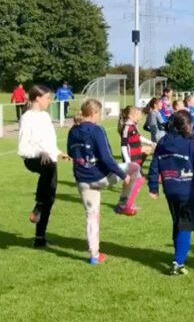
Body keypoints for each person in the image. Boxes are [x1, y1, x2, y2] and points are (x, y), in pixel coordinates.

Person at [68, 99, 143, 264]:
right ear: (94, 113)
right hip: (100, 178)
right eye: (99, 113)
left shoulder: (73, 131)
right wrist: (123, 176)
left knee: (91, 216)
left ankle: (94, 256)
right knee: (134, 168)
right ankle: (123, 204)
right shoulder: (97, 130)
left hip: (82, 180)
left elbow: (71, 152)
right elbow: (107, 158)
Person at [148, 111, 194, 275]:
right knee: (186, 224)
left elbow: (154, 166)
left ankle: (178, 255)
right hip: (187, 191)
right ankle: (178, 262)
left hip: (170, 190)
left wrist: (153, 187)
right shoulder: (192, 144)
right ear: (188, 126)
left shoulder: (163, 142)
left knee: (177, 222)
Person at [17, 85, 70, 248]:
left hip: (48, 160)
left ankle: (40, 238)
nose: (50, 100)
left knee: (51, 197)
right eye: (47, 97)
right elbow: (23, 147)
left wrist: (59, 152)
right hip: (33, 158)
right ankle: (38, 205)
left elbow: (48, 142)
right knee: (48, 174)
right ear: (38, 98)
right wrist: (41, 153)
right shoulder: (27, 118)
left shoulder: (45, 117)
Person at [118, 106, 153, 213]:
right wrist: (128, 162)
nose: (140, 117)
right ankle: (128, 204)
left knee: (131, 182)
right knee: (138, 180)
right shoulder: (127, 127)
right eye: (138, 115)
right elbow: (123, 146)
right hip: (131, 158)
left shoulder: (133, 126)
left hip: (136, 157)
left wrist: (150, 142)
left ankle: (124, 203)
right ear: (131, 115)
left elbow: (139, 137)